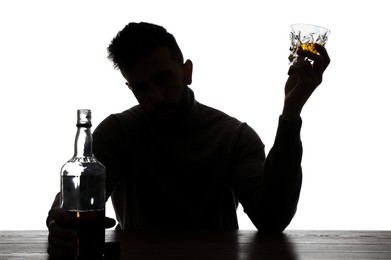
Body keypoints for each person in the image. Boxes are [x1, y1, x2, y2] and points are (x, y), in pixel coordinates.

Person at [47, 21, 330, 257]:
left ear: (187, 72)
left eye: (163, 79)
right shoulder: (118, 132)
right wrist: (58, 218)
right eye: (141, 88)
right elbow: (76, 197)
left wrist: (291, 113)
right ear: (129, 87)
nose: (155, 96)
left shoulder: (234, 137)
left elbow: (272, 219)